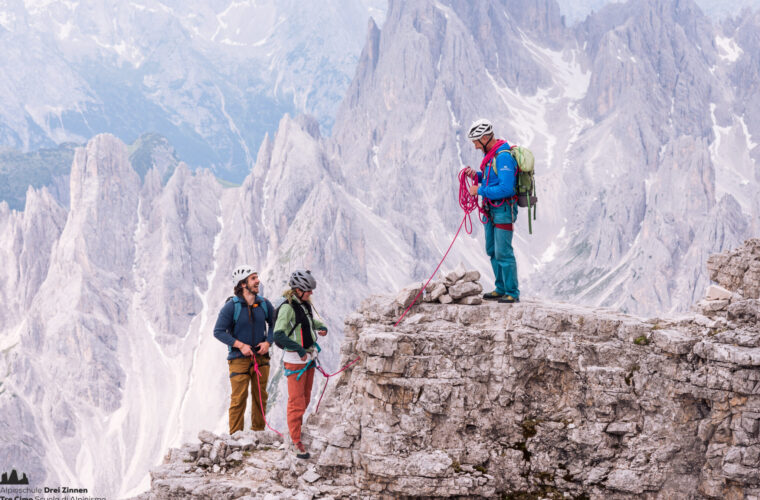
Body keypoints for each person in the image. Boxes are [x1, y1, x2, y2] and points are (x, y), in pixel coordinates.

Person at [213, 265, 274, 434]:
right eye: (253, 278)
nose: (258, 281)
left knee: (260, 397)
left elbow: (275, 325)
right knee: (239, 399)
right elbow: (218, 331)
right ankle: (235, 439)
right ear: (243, 284)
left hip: (261, 359)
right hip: (238, 359)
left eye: (257, 277)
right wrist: (240, 345)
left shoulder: (264, 304)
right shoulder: (231, 307)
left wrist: (268, 342)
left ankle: (258, 433)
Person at [464, 118, 520, 303]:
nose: (475, 147)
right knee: (492, 249)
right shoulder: (491, 157)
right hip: (492, 209)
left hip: (503, 209)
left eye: (476, 142)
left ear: (486, 137)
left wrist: (479, 190)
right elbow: (492, 180)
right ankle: (500, 288)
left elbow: (507, 188)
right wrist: (477, 176)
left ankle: (512, 292)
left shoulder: (503, 156)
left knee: (503, 251)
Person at [273, 269, 328, 459]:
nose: (311, 293)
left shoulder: (303, 305)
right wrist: (299, 349)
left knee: (304, 399)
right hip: (296, 362)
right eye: (308, 290)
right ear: (298, 290)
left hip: (307, 360)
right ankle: (296, 441)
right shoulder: (287, 308)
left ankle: (296, 433)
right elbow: (278, 334)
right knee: (296, 402)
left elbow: (305, 322)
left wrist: (320, 327)